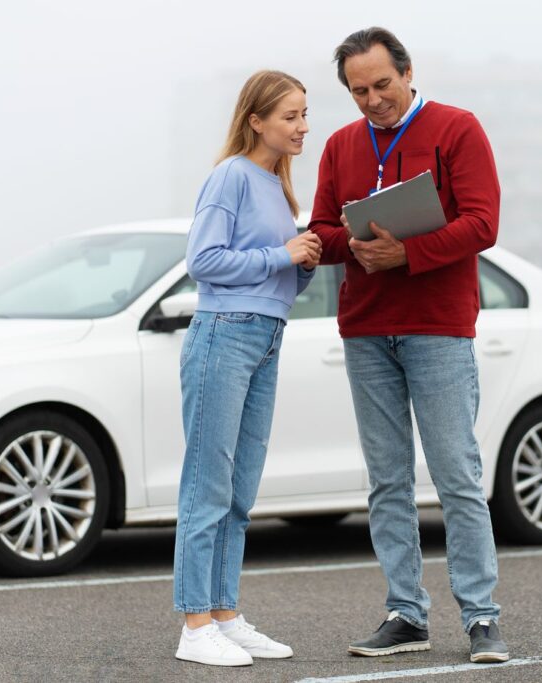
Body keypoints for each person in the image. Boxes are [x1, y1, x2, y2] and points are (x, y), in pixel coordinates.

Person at [308, 28, 509, 664]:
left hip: (438, 327)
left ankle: (481, 617)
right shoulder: (340, 145)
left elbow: (483, 223)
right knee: (387, 481)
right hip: (366, 330)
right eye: (358, 91)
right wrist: (353, 242)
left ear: (408, 72)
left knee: (456, 475)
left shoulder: (457, 128)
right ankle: (405, 614)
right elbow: (321, 230)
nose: (372, 100)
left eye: (382, 85)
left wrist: (408, 253)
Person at [172, 69, 321, 667]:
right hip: (223, 335)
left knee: (240, 492)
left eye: (305, 114)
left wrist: (303, 262)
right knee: (206, 486)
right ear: (256, 121)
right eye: (290, 116)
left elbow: (275, 279)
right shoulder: (230, 175)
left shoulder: (279, 188)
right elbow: (203, 261)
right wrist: (281, 253)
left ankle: (225, 615)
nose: (303, 126)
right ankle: (194, 626)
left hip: (266, 337)